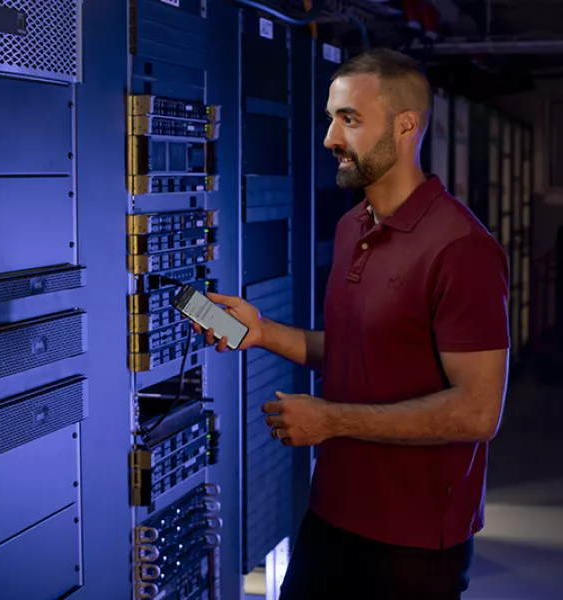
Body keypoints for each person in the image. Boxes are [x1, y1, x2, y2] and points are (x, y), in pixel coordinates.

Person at [196, 48, 510, 599]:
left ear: (406, 126)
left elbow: (478, 411)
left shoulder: (462, 248)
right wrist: (261, 331)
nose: (330, 139)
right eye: (330, 118)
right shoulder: (352, 227)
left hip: (412, 542)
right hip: (333, 513)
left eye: (351, 119)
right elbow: (359, 350)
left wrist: (331, 420)